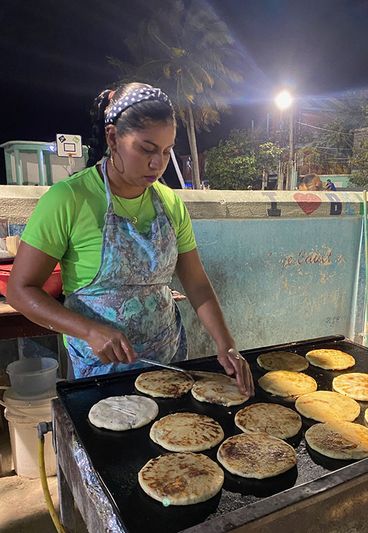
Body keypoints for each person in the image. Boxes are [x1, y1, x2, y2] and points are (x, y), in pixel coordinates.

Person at [7, 82, 254, 396]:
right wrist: (89, 330)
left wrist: (227, 345)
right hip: (101, 371)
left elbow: (196, 282)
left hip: (168, 361)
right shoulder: (69, 199)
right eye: (146, 149)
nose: (157, 163)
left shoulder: (170, 203)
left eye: (166, 151)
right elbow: (19, 290)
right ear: (113, 137)